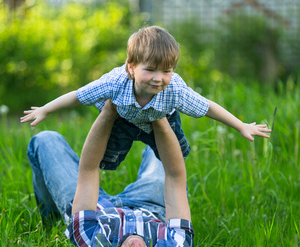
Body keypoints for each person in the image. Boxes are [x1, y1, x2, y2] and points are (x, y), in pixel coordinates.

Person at [21, 26, 271, 170]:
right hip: (122, 118)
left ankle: (163, 166)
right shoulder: (115, 82)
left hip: (163, 119)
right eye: (150, 70)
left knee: (175, 159)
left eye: (166, 71)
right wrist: (45, 109)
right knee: (106, 161)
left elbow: (207, 107)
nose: (158, 78)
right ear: (131, 67)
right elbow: (79, 95)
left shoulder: (175, 89)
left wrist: (241, 126)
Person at [27, 100, 193, 247]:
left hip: (96, 208)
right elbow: (175, 178)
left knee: (45, 140)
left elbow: (88, 170)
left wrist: (109, 109)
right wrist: (158, 115)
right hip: (150, 206)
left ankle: (50, 222)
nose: (135, 243)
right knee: (167, 146)